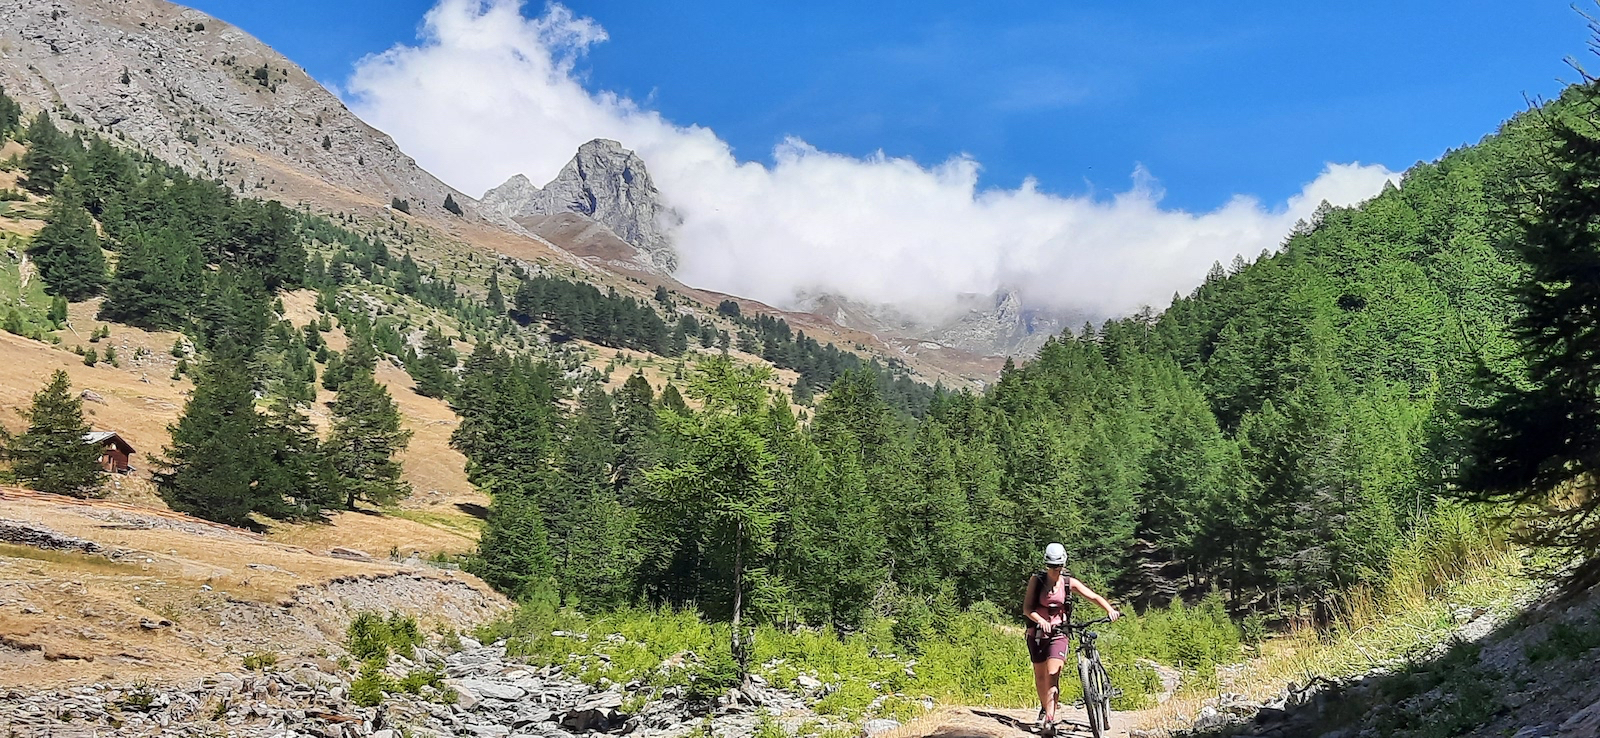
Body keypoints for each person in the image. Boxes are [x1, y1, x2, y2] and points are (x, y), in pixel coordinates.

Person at [1023, 542, 1120, 729]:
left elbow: (1092, 596)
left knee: (1053, 676)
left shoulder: (1069, 582)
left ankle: (1050, 721)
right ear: (1046, 564)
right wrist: (1040, 620)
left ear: (1063, 564)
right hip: (1037, 634)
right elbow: (1027, 609)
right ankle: (1045, 708)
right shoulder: (1037, 581)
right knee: (1040, 676)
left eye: (1058, 566)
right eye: (1052, 566)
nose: (1055, 570)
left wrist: (1110, 609)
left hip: (1060, 633)